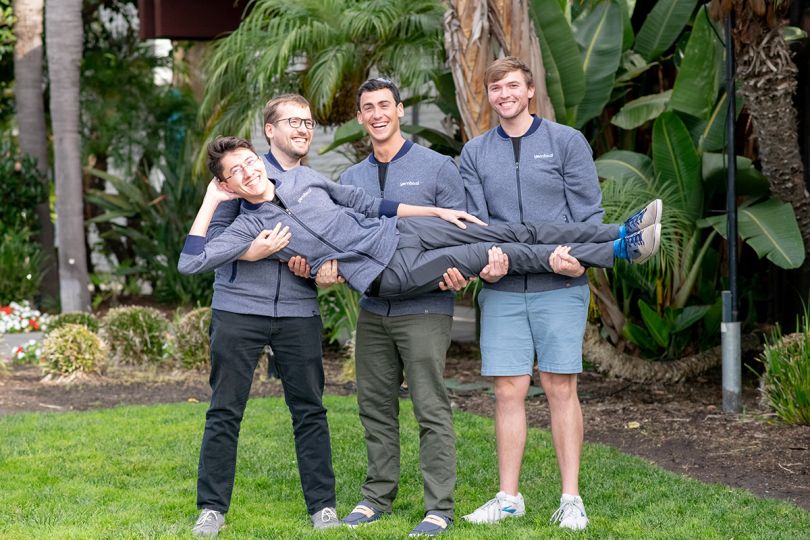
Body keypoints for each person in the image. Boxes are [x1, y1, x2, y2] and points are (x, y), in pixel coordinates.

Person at [178, 137, 661, 303]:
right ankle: (619, 253)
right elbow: (191, 263)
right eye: (235, 172)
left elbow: (369, 204)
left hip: (401, 230)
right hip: (384, 272)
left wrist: (432, 209)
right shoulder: (246, 227)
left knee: (503, 228)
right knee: (491, 254)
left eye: (249, 160)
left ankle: (618, 229)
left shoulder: (304, 178)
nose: (248, 170)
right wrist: (209, 202)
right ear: (229, 184)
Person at [459, 57, 621, 530]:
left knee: (559, 386)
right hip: (502, 288)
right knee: (509, 390)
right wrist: (489, 260)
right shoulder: (474, 153)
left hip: (561, 285)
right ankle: (509, 496)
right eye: (495, 88)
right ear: (488, 96)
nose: (504, 94)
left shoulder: (565, 142)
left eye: (512, 86)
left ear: (530, 91)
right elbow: (478, 224)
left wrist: (579, 257)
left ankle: (571, 498)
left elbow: (587, 217)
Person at [190, 95, 340, 537]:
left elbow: (327, 247)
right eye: (293, 121)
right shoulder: (241, 175)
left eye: (308, 122)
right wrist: (252, 253)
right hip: (238, 310)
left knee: (310, 410)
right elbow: (212, 246)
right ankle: (212, 509)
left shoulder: (315, 184)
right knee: (224, 411)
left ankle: (324, 507)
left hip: (298, 311)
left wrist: (322, 271)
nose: (302, 128)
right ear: (269, 130)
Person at [332, 78, 465, 537]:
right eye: (367, 108)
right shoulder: (351, 180)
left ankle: (439, 508)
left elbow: (459, 232)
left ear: (400, 110)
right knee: (374, 407)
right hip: (374, 310)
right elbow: (344, 240)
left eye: (384, 105)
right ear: (359, 118)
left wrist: (458, 272)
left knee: (430, 406)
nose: (376, 114)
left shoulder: (437, 167)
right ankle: (376, 498)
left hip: (426, 307)